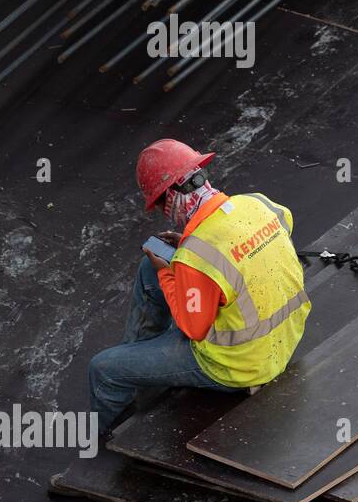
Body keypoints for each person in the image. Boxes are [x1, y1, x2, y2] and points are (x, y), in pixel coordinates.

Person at [87, 139, 311, 431]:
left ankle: (103, 435)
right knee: (149, 268)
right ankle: (141, 367)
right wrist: (191, 252)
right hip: (286, 334)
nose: (163, 212)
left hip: (239, 364)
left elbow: (194, 328)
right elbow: (264, 238)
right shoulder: (258, 203)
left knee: (104, 370)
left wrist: (170, 273)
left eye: (160, 205)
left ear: (170, 196)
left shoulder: (197, 255)